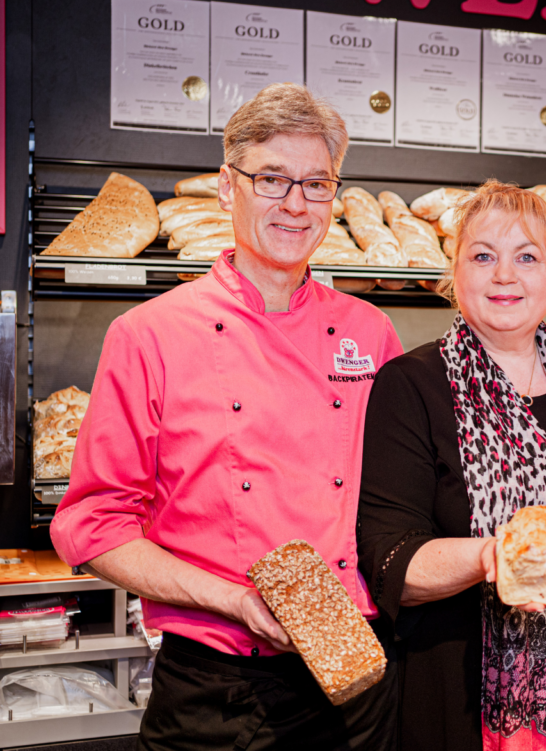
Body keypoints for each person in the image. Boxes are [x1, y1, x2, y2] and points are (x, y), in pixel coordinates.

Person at [49, 83, 403, 751]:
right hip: (217, 694)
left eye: (316, 183)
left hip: (360, 680)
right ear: (225, 186)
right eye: (271, 178)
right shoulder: (149, 334)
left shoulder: (370, 332)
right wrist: (238, 600)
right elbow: (91, 526)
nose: (296, 204)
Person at [357, 181, 546, 751]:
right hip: (467, 708)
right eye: (483, 256)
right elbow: (388, 557)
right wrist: (493, 556)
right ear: (454, 274)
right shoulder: (413, 385)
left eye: (526, 257)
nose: (504, 275)